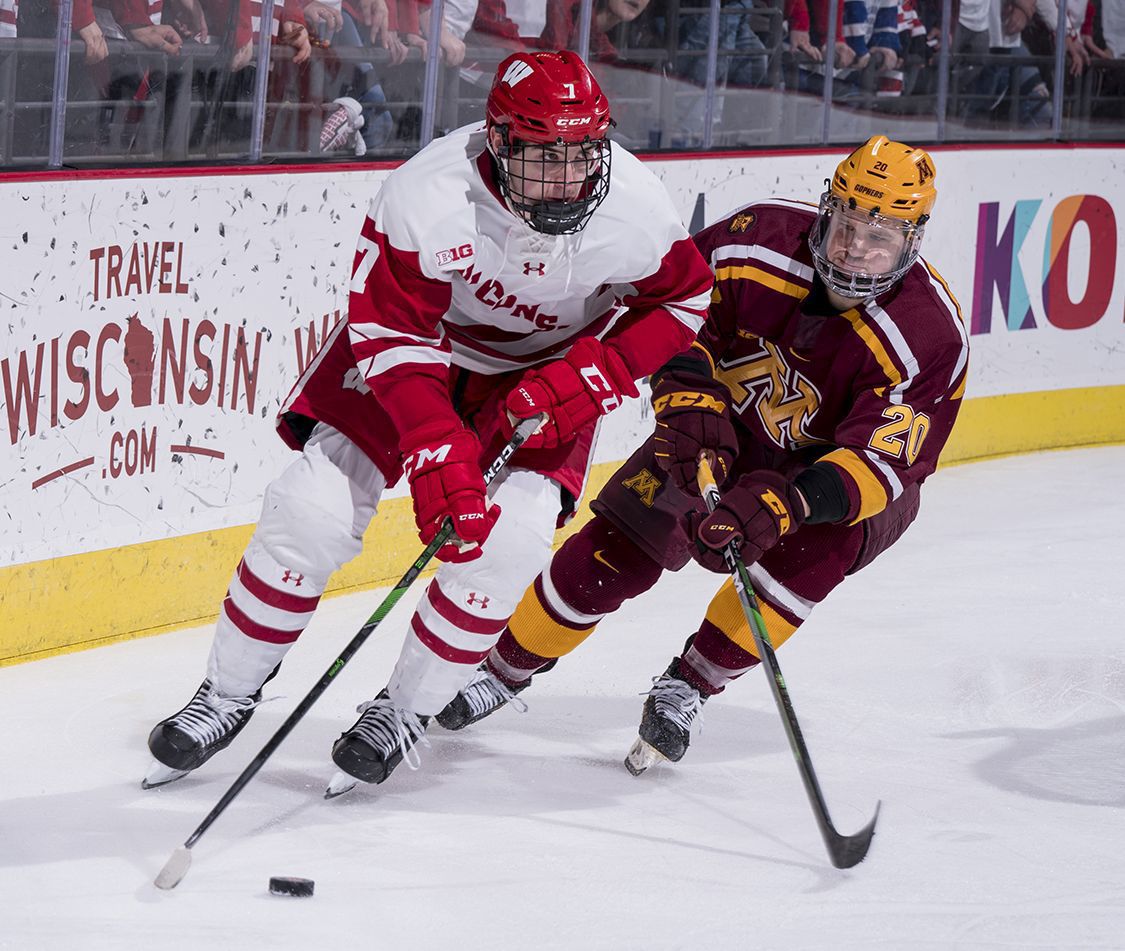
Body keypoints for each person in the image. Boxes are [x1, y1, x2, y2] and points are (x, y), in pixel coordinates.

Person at [142, 48, 714, 792]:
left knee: (508, 543)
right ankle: (226, 693)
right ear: (500, 142)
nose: (568, 178)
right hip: (422, 354)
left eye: (583, 154)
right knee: (309, 512)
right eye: (544, 156)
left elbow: (682, 300)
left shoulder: (635, 205)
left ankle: (404, 710)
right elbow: (387, 330)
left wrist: (594, 375)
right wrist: (435, 442)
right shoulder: (427, 191)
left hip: (546, 376)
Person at [434, 135, 970, 775]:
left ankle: (690, 683)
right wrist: (687, 400)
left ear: (913, 241)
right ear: (827, 209)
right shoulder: (756, 240)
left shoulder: (929, 335)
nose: (856, 249)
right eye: (848, 224)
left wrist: (788, 502)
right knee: (617, 547)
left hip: (824, 481)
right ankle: (505, 666)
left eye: (879, 237)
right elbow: (671, 315)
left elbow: (883, 464)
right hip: (720, 427)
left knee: (805, 560)